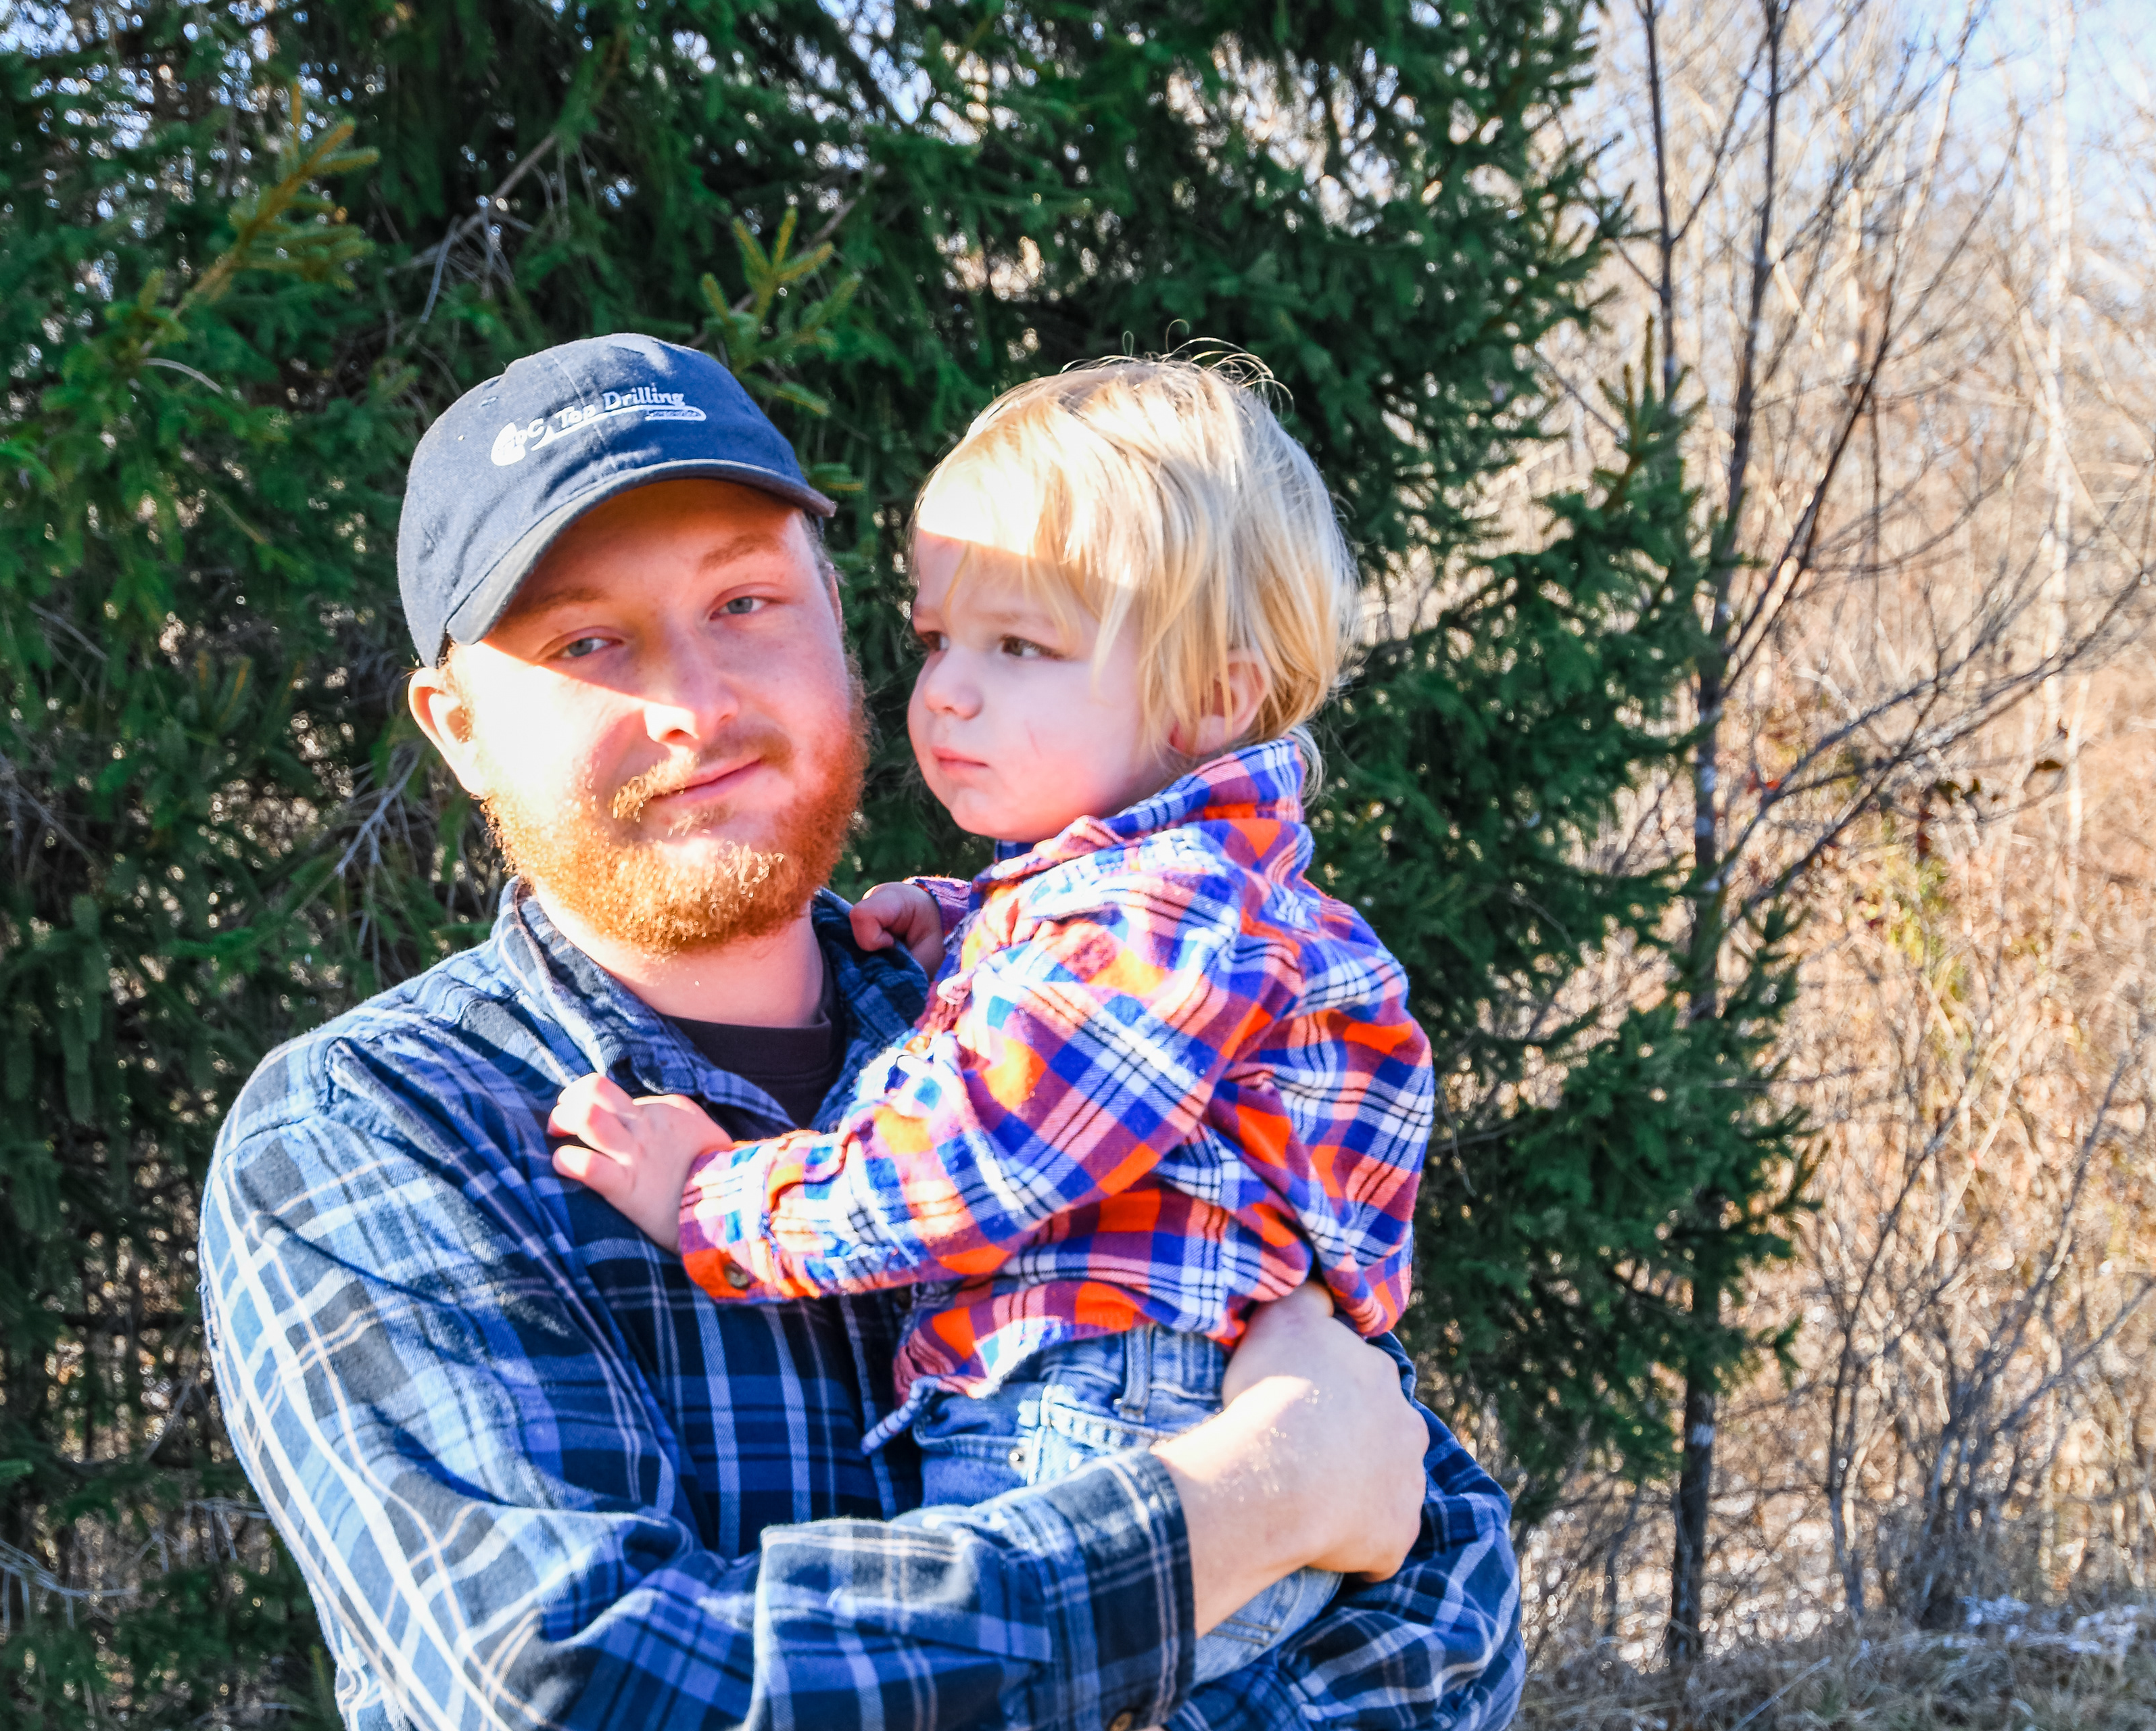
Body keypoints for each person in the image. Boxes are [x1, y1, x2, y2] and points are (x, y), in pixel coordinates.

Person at [200, 332, 1523, 1731]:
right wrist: (1248, 1505)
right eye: (588, 642)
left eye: (746, 601)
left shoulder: (1024, 1002)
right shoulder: (379, 1128)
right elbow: (576, 1683)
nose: (696, 705)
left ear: (835, 616)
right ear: (458, 726)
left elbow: (1445, 1606)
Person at [547, 356, 1431, 1686]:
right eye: (936, 639)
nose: (948, 692)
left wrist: (713, 1201)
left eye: (1019, 647)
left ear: (1216, 695)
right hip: (1155, 1406)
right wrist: (971, 924)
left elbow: (978, 1162)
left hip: (1102, 1416)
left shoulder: (1159, 923)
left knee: (947, 1688)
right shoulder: (1174, 906)